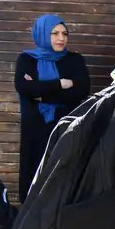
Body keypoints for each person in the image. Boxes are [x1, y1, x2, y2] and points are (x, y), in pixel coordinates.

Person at [15, 14, 90, 200]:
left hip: (65, 128)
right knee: (34, 177)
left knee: (64, 178)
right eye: (54, 33)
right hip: (35, 130)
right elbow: (24, 87)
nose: (61, 38)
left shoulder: (74, 60)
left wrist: (41, 94)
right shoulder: (26, 59)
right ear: (42, 34)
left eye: (64, 33)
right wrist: (60, 84)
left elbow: (81, 91)